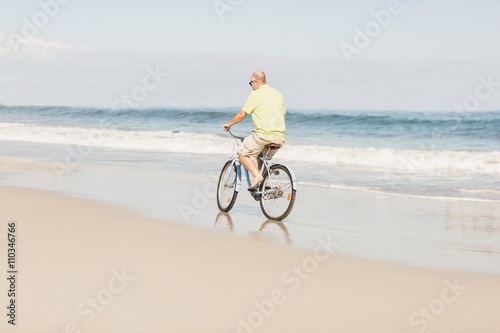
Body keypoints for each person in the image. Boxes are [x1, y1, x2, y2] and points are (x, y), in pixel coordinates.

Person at [222, 70, 286, 191]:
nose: (251, 86)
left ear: (255, 82)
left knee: (242, 154)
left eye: (250, 83)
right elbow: (282, 112)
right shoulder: (278, 93)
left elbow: (242, 114)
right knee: (260, 155)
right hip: (280, 138)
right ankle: (261, 185)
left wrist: (229, 124)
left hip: (263, 136)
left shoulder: (255, 94)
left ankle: (257, 176)